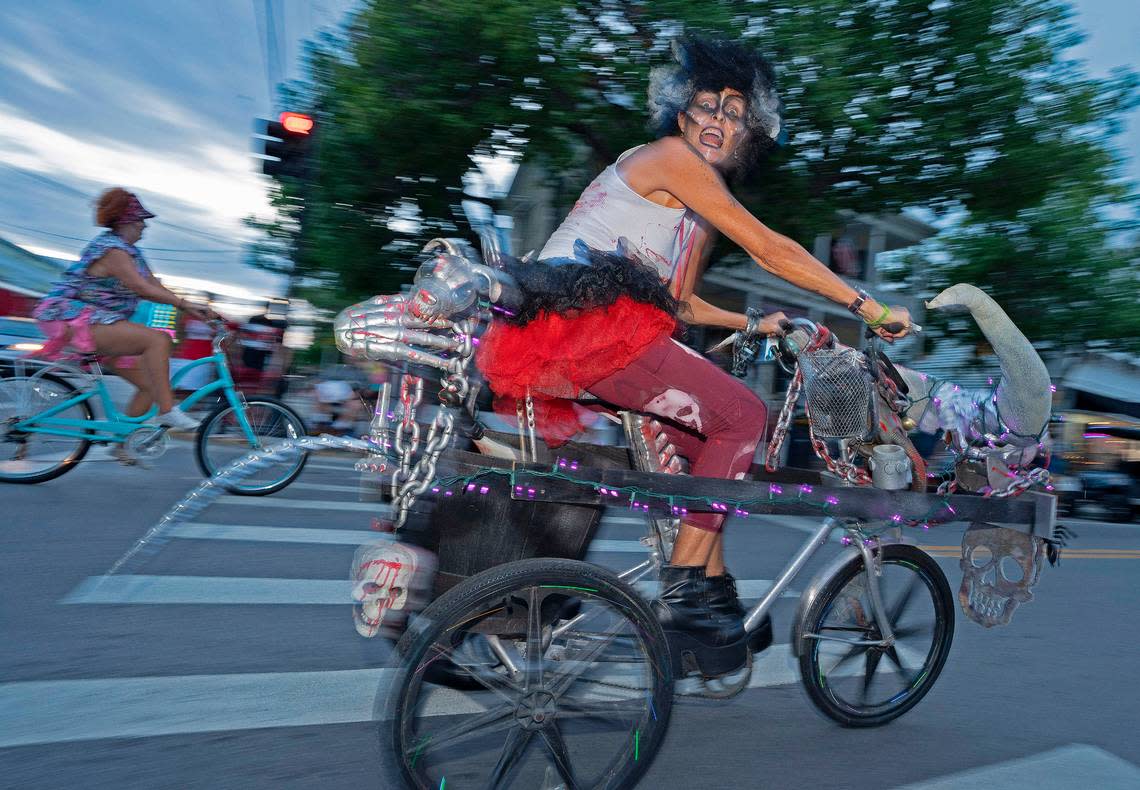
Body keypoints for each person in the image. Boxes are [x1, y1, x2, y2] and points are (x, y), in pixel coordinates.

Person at [476, 37, 913, 677]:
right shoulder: (675, 160)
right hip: (582, 332)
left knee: (701, 446)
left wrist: (751, 321)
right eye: (706, 106)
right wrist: (867, 306)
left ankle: (715, 597)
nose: (718, 120)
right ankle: (687, 596)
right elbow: (769, 249)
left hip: (575, 334)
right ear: (681, 117)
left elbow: (679, 303)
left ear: (748, 134)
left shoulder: (692, 209)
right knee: (741, 418)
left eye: (734, 113)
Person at [33, 188, 214, 432]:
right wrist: (184, 304)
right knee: (158, 341)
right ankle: (168, 410)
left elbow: (155, 286)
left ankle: (122, 444)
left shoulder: (133, 253)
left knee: (153, 385)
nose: (144, 226)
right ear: (125, 222)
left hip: (101, 321)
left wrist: (193, 309)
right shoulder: (113, 251)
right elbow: (140, 287)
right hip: (77, 319)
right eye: (140, 220)